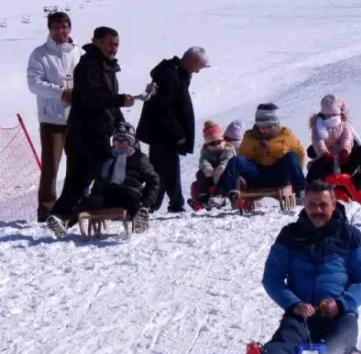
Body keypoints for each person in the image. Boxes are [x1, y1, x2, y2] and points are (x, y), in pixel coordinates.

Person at [248, 181, 361, 354]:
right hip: (302, 313)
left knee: (343, 343)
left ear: (334, 204)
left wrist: (341, 303)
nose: (317, 210)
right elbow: (272, 278)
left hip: (339, 313)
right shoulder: (290, 235)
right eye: (311, 205)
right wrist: (294, 304)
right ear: (304, 205)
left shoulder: (350, 236)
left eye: (323, 205)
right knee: (285, 339)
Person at [50, 26, 136, 223]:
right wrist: (119, 100)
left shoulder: (108, 66)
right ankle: (62, 218)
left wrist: (121, 122)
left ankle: (65, 218)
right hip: (84, 134)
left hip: (100, 133)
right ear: (97, 41)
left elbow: (109, 103)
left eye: (116, 45)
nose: (113, 48)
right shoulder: (89, 66)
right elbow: (92, 97)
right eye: (110, 44)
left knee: (90, 179)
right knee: (81, 180)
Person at [45, 122, 157, 236]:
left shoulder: (139, 158)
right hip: (106, 194)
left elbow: (154, 181)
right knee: (86, 203)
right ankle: (64, 223)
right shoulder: (106, 158)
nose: (120, 143)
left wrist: (146, 203)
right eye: (117, 140)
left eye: (124, 140)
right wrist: (91, 191)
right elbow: (94, 176)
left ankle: (139, 218)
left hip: (129, 191)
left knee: (133, 201)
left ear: (131, 142)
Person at [136, 46, 208, 213]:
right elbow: (164, 108)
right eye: (200, 67)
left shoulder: (176, 74)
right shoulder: (170, 76)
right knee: (162, 169)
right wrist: (178, 133)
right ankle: (156, 204)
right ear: (193, 62)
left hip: (164, 133)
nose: (198, 72)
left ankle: (166, 204)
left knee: (166, 169)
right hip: (163, 133)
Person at [26, 11, 82, 221]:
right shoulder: (40, 54)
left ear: (70, 28)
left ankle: (74, 207)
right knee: (51, 167)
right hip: (52, 119)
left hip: (77, 119)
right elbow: (34, 83)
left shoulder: (79, 53)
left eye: (64, 26)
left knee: (78, 166)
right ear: (50, 29)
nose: (61, 31)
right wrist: (60, 93)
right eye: (56, 27)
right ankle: (46, 211)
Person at [217, 103, 307, 199]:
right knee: (236, 160)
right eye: (262, 127)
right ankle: (220, 195)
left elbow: (300, 152)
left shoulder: (285, 134)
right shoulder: (250, 136)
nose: (265, 130)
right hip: (258, 175)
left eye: (269, 127)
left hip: (279, 175)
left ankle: (301, 190)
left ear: (275, 124)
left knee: (291, 156)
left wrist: (295, 174)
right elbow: (243, 158)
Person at [306, 95, 361, 194]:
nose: (330, 118)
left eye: (333, 115)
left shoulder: (344, 125)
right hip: (327, 162)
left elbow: (347, 139)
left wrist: (345, 151)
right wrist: (325, 153)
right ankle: (307, 190)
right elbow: (318, 142)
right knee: (315, 165)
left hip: (345, 161)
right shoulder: (317, 127)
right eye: (327, 115)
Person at [193, 120, 235, 205]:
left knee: (226, 175)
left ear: (222, 139)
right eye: (212, 143)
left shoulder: (228, 148)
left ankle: (220, 195)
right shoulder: (205, 150)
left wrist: (222, 166)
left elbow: (229, 159)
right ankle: (204, 197)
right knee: (200, 174)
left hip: (224, 174)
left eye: (218, 142)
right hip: (211, 174)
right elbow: (203, 160)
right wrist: (206, 167)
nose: (215, 145)